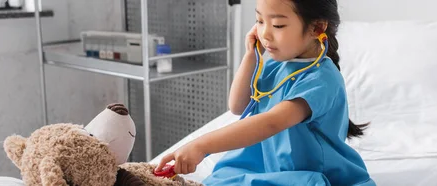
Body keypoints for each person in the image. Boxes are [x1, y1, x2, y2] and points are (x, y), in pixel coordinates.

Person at [156, 0, 375, 185]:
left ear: (317, 28)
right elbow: (237, 106)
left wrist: (201, 146)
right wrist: (250, 55)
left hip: (308, 173)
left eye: (278, 25)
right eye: (260, 21)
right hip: (266, 165)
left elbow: (272, 122)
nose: (265, 33)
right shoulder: (274, 66)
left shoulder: (322, 78)